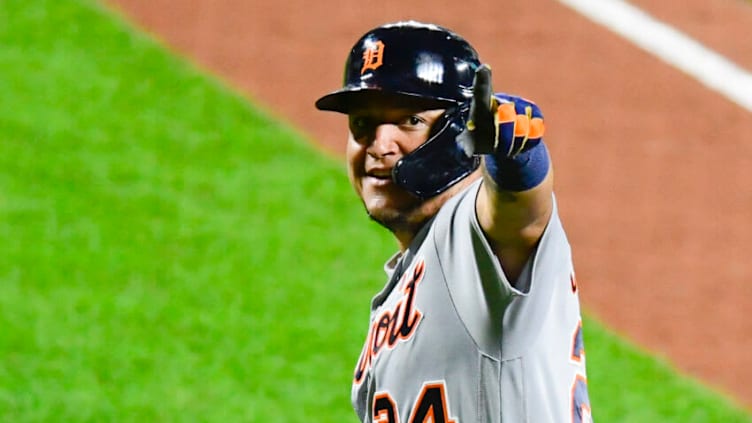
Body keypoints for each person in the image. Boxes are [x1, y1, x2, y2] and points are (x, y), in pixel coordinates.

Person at [315, 20, 592, 423]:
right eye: (362, 125)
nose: (379, 145)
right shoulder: (414, 270)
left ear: (459, 130)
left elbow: (519, 212)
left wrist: (515, 153)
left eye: (409, 121)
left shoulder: (472, 236)